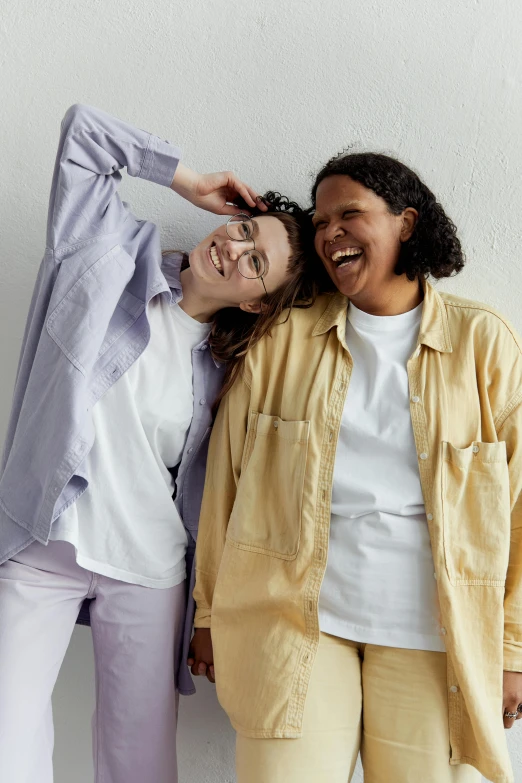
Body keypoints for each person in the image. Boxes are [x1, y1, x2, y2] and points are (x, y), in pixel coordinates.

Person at [0, 104, 316, 783]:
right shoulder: (106, 250)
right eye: (241, 229)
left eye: (254, 260)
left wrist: (206, 609)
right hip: (40, 543)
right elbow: (85, 133)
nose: (232, 247)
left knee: (138, 763)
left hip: (148, 568)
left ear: (259, 302)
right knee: (6, 737)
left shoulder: (232, 370)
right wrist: (187, 180)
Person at [190, 151, 522, 783]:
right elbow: (224, 484)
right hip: (295, 627)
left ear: (406, 223)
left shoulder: (484, 346)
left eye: (350, 214)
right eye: (319, 221)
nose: (329, 232)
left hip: (434, 638)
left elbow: (521, 510)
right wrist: (208, 612)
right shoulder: (282, 339)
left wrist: (512, 647)